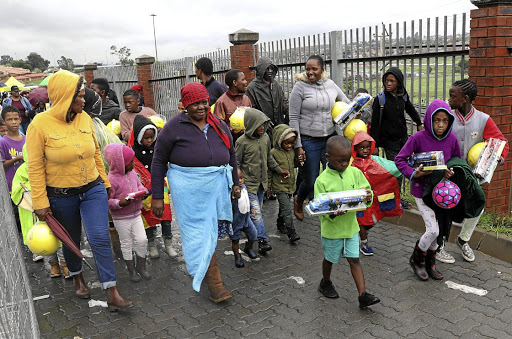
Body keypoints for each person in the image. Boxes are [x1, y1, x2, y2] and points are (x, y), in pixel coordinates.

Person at [26, 70, 132, 311]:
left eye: (84, 96)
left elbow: (95, 152)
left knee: (99, 236)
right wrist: (40, 201)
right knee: (71, 239)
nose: (84, 101)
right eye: (79, 97)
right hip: (61, 195)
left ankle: (111, 289)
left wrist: (104, 183)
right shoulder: (39, 125)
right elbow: (34, 165)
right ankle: (77, 277)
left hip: (92, 187)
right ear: (63, 96)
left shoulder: (84, 118)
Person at [152, 82, 240, 303]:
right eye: (195, 103)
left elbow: (231, 154)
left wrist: (236, 183)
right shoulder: (174, 127)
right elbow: (159, 161)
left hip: (216, 190)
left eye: (204, 102)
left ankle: (203, 270)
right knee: (199, 234)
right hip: (188, 191)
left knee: (209, 233)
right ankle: (215, 285)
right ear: (185, 105)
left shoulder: (218, 125)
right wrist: (157, 196)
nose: (201, 107)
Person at [438, 79, 509, 264]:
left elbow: (501, 143)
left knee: (478, 204)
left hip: (471, 176)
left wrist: (496, 159)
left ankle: (463, 240)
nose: (449, 98)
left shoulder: (483, 119)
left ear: (465, 99)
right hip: (450, 173)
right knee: (445, 206)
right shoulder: (447, 117)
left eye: (453, 96)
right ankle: (441, 245)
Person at [395, 99, 461, 281]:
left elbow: (456, 161)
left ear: (450, 121)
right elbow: (400, 159)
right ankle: (416, 260)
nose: (440, 125)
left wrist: (451, 172)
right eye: (436, 120)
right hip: (421, 191)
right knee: (432, 230)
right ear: (429, 120)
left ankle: (430, 263)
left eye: (445, 120)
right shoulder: (418, 138)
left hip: (441, 193)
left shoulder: (452, 139)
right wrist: (413, 174)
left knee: (437, 229)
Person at [314, 135, 380, 309]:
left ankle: (363, 295)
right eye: (340, 161)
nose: (344, 164)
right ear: (328, 158)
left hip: (351, 228)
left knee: (354, 259)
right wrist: (333, 214)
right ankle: (325, 282)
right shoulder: (321, 181)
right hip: (332, 231)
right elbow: (319, 208)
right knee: (330, 259)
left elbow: (368, 194)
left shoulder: (355, 172)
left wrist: (367, 195)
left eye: (347, 160)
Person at [289, 55, 350, 221]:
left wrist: (355, 110)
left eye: (314, 69)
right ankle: (299, 199)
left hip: (330, 138)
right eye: (307, 69)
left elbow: (345, 103)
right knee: (311, 180)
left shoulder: (330, 85)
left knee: (335, 173)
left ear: (322, 69)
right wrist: (298, 145)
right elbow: (293, 118)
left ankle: (332, 208)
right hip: (309, 140)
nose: (310, 72)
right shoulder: (299, 87)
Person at [11, 145, 70, 277]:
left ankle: (65, 265)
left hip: (54, 209)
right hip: (35, 213)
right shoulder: (22, 170)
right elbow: (16, 190)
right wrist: (29, 189)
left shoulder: (50, 166)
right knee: (44, 240)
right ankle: (53, 265)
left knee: (59, 237)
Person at [369, 67, 424, 209]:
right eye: (386, 80)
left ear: (398, 83)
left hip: (403, 140)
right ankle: (396, 200)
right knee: (397, 170)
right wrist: (373, 145)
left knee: (405, 167)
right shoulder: (380, 100)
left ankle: (396, 198)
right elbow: (374, 124)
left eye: (392, 81)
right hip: (389, 142)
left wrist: (418, 123)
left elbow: (410, 109)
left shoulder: (402, 96)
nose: (388, 83)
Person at [236, 108, 289, 254]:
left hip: (261, 184)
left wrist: (279, 170)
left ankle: (248, 233)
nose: (262, 127)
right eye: (259, 124)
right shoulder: (242, 142)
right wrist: (238, 182)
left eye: (264, 125)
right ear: (251, 124)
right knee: (256, 213)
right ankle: (262, 240)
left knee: (254, 212)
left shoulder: (265, 138)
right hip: (249, 185)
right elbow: (237, 163)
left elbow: (268, 158)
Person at [128, 115, 177, 258]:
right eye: (146, 138)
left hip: (160, 187)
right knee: (149, 220)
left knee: (166, 217)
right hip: (144, 191)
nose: (150, 141)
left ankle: (169, 244)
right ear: (138, 137)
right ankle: (152, 244)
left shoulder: (158, 148)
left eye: (152, 137)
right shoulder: (132, 152)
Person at [350, 131, 403, 255]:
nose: (365, 150)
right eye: (362, 147)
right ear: (355, 148)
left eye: (368, 147)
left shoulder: (374, 161)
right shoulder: (352, 164)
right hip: (358, 201)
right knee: (362, 221)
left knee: (372, 220)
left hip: (372, 200)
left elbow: (390, 168)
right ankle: (364, 243)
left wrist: (405, 167)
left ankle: (363, 232)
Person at [104, 144, 151, 282]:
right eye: (130, 161)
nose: (133, 163)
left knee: (142, 239)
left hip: (136, 214)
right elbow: (108, 200)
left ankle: (141, 266)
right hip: (121, 217)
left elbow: (139, 185)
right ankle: (131, 270)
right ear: (120, 164)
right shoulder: (111, 180)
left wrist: (143, 192)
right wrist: (119, 203)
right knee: (126, 243)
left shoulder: (132, 173)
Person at [268, 123, 300, 243]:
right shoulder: (273, 153)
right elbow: (269, 171)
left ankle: (280, 223)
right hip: (279, 186)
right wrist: (268, 187)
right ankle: (292, 233)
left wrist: (299, 160)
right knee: (287, 209)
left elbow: (294, 165)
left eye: (292, 143)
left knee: (284, 208)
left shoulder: (291, 152)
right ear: (279, 141)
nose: (290, 145)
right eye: (287, 143)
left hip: (290, 185)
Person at [246, 57, 289, 139]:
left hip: (279, 125)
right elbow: (251, 110)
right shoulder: (252, 88)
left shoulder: (276, 85)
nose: (270, 71)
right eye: (267, 68)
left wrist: (289, 111)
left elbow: (283, 101)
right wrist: (263, 120)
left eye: (271, 68)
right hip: (262, 129)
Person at [0, 105, 25, 233]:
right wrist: (18, 158)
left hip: (28, 184)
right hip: (12, 186)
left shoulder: (26, 139)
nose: (14, 122)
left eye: (16, 119)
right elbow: (3, 164)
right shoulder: (3, 142)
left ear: (20, 120)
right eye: (9, 119)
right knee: (17, 215)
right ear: (3, 121)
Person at [230, 168, 259, 268]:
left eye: (241, 178)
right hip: (237, 221)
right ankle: (237, 256)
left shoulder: (244, 188)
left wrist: (251, 208)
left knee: (254, 234)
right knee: (235, 240)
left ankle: (248, 247)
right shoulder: (231, 192)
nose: (241, 181)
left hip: (247, 219)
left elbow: (247, 199)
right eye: (238, 179)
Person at [213, 69, 252, 139]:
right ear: (235, 83)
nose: (246, 82)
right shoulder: (221, 102)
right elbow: (218, 126)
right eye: (243, 80)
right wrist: (232, 131)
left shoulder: (246, 99)